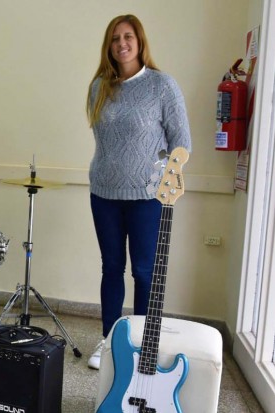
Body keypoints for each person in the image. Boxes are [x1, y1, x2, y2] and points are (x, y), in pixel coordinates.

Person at [85, 14, 191, 369]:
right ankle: (109, 341)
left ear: (140, 41)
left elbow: (182, 143)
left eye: (128, 37)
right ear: (109, 46)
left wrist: (165, 178)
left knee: (144, 272)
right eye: (115, 39)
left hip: (148, 196)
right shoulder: (99, 86)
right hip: (103, 192)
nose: (122, 44)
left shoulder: (162, 85)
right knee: (111, 267)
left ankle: (144, 343)